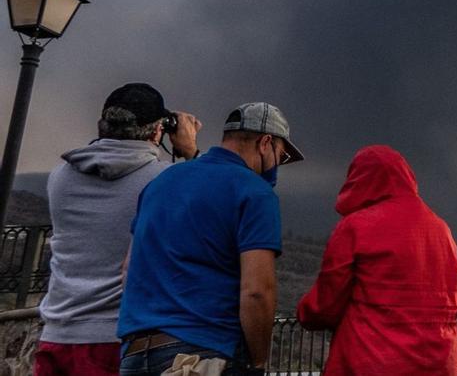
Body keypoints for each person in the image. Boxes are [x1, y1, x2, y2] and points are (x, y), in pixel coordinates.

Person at [117, 102, 304, 376]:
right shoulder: (254, 193)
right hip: (200, 355)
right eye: (281, 155)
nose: (278, 164)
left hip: (134, 355)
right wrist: (258, 363)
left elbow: (127, 270)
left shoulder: (161, 183)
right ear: (266, 143)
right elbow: (256, 291)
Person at [35, 83, 201, 376]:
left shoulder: (60, 177)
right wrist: (190, 151)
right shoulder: (166, 179)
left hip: (56, 336)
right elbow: (210, 204)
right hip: (115, 338)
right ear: (156, 131)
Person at [297, 144, 457, 376]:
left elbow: (326, 304)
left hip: (372, 362)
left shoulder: (356, 227)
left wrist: (304, 313)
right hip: (440, 364)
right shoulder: (442, 230)